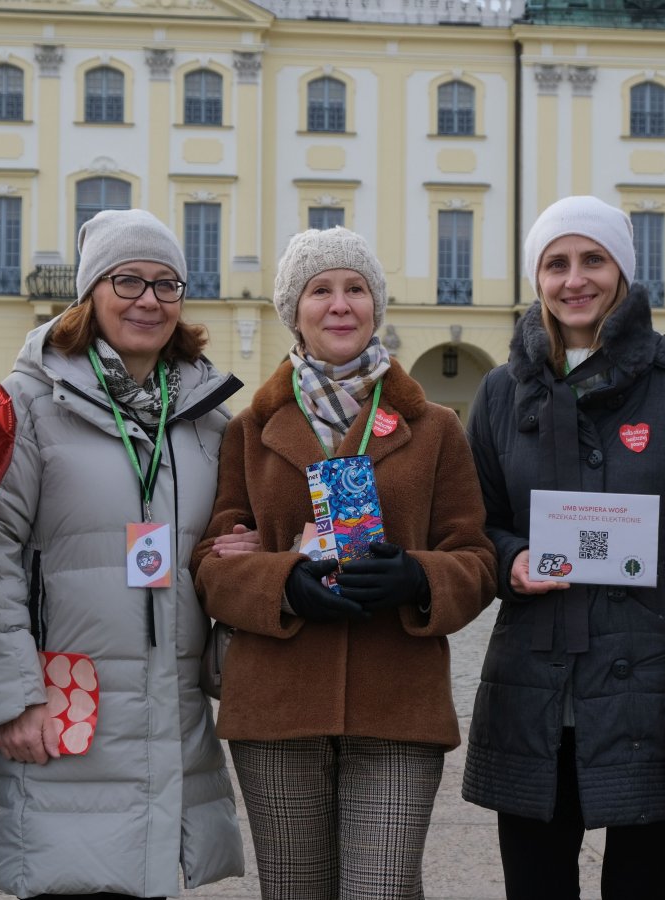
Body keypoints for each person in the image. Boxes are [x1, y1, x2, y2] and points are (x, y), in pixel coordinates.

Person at [190, 226, 497, 900]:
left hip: (398, 703)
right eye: (319, 290)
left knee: (382, 889)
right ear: (292, 311)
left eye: (355, 288)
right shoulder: (249, 430)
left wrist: (419, 576)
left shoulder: (436, 428)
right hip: (276, 705)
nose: (339, 304)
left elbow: (475, 558)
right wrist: (282, 583)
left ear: (374, 306)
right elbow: (211, 564)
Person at [460, 195, 665, 899]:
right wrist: (510, 559)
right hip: (533, 690)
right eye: (555, 263)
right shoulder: (499, 393)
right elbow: (471, 523)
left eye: (593, 259)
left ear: (623, 269)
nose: (574, 279)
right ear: (537, 278)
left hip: (650, 692)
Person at [0, 208, 246, 899]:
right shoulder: (27, 404)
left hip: (172, 713)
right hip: (63, 708)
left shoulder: (208, 419)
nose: (149, 300)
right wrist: (12, 697)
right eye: (128, 280)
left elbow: (218, 555)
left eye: (166, 283)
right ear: (91, 292)